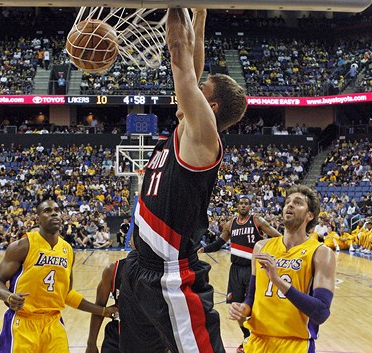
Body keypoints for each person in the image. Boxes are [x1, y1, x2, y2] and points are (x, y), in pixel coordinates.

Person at [118, 8, 247, 353]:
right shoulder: (186, 130)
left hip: (171, 275)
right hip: (139, 268)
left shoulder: (202, 138)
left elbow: (180, 54)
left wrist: (176, 6)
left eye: (201, 90)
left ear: (212, 107)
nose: (191, 89)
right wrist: (200, 13)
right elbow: (193, 57)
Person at [0, 199, 117, 353]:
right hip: (23, 321)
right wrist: (8, 297)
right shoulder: (23, 245)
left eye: (57, 210)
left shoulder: (68, 250)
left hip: (53, 323)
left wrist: (102, 311)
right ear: (38, 219)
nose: (54, 213)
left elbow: (66, 294)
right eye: (47, 211)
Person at [229, 185, 336, 353]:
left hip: (295, 345)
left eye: (298, 202)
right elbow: (252, 296)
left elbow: (321, 312)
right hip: (257, 341)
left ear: (310, 215)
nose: (290, 205)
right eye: (287, 202)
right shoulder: (261, 247)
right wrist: (244, 308)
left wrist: (278, 281)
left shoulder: (321, 253)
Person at [198, 195, 281, 352]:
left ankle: (259, 338)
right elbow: (219, 243)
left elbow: (278, 237)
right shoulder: (231, 224)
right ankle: (247, 337)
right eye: (241, 203)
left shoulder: (257, 221)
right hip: (235, 270)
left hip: (253, 270)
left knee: (255, 307)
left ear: (250, 207)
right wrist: (204, 249)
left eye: (246, 204)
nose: (243, 206)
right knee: (237, 307)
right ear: (237, 206)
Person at [86, 258, 127, 353]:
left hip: (148, 336)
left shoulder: (159, 270)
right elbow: (99, 306)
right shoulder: (113, 269)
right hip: (116, 335)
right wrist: (91, 343)